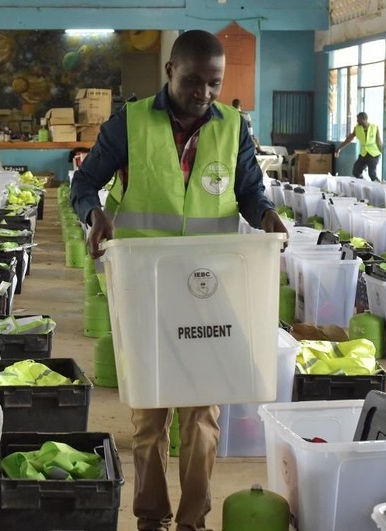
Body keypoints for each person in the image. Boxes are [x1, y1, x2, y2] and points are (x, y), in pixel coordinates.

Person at [70, 30, 287, 531]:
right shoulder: (130, 123)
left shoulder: (232, 126)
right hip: (146, 290)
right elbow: (84, 182)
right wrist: (94, 214)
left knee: (202, 417)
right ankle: (151, 518)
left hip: (209, 291)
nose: (204, 93)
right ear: (169, 70)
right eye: (193, 81)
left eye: (213, 83)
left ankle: (191, 521)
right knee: (149, 416)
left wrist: (266, 215)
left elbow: (250, 192)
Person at [334, 112, 383, 181]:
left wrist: (381, 153)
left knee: (372, 174)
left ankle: (378, 188)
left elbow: (379, 141)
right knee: (356, 171)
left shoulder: (374, 127)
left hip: (374, 154)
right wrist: (339, 148)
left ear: (364, 119)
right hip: (363, 154)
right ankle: (363, 183)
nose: (357, 121)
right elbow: (349, 139)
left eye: (358, 119)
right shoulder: (357, 128)